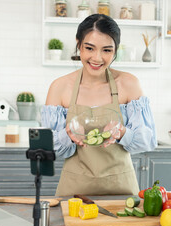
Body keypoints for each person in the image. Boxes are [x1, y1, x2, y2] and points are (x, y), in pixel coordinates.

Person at [41, 14, 157, 196]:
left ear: (115, 51)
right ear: (79, 44)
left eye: (106, 50)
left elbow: (148, 141)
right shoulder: (60, 87)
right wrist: (68, 135)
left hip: (121, 188)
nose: (97, 58)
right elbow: (47, 149)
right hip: (74, 191)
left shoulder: (128, 84)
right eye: (89, 48)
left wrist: (123, 133)